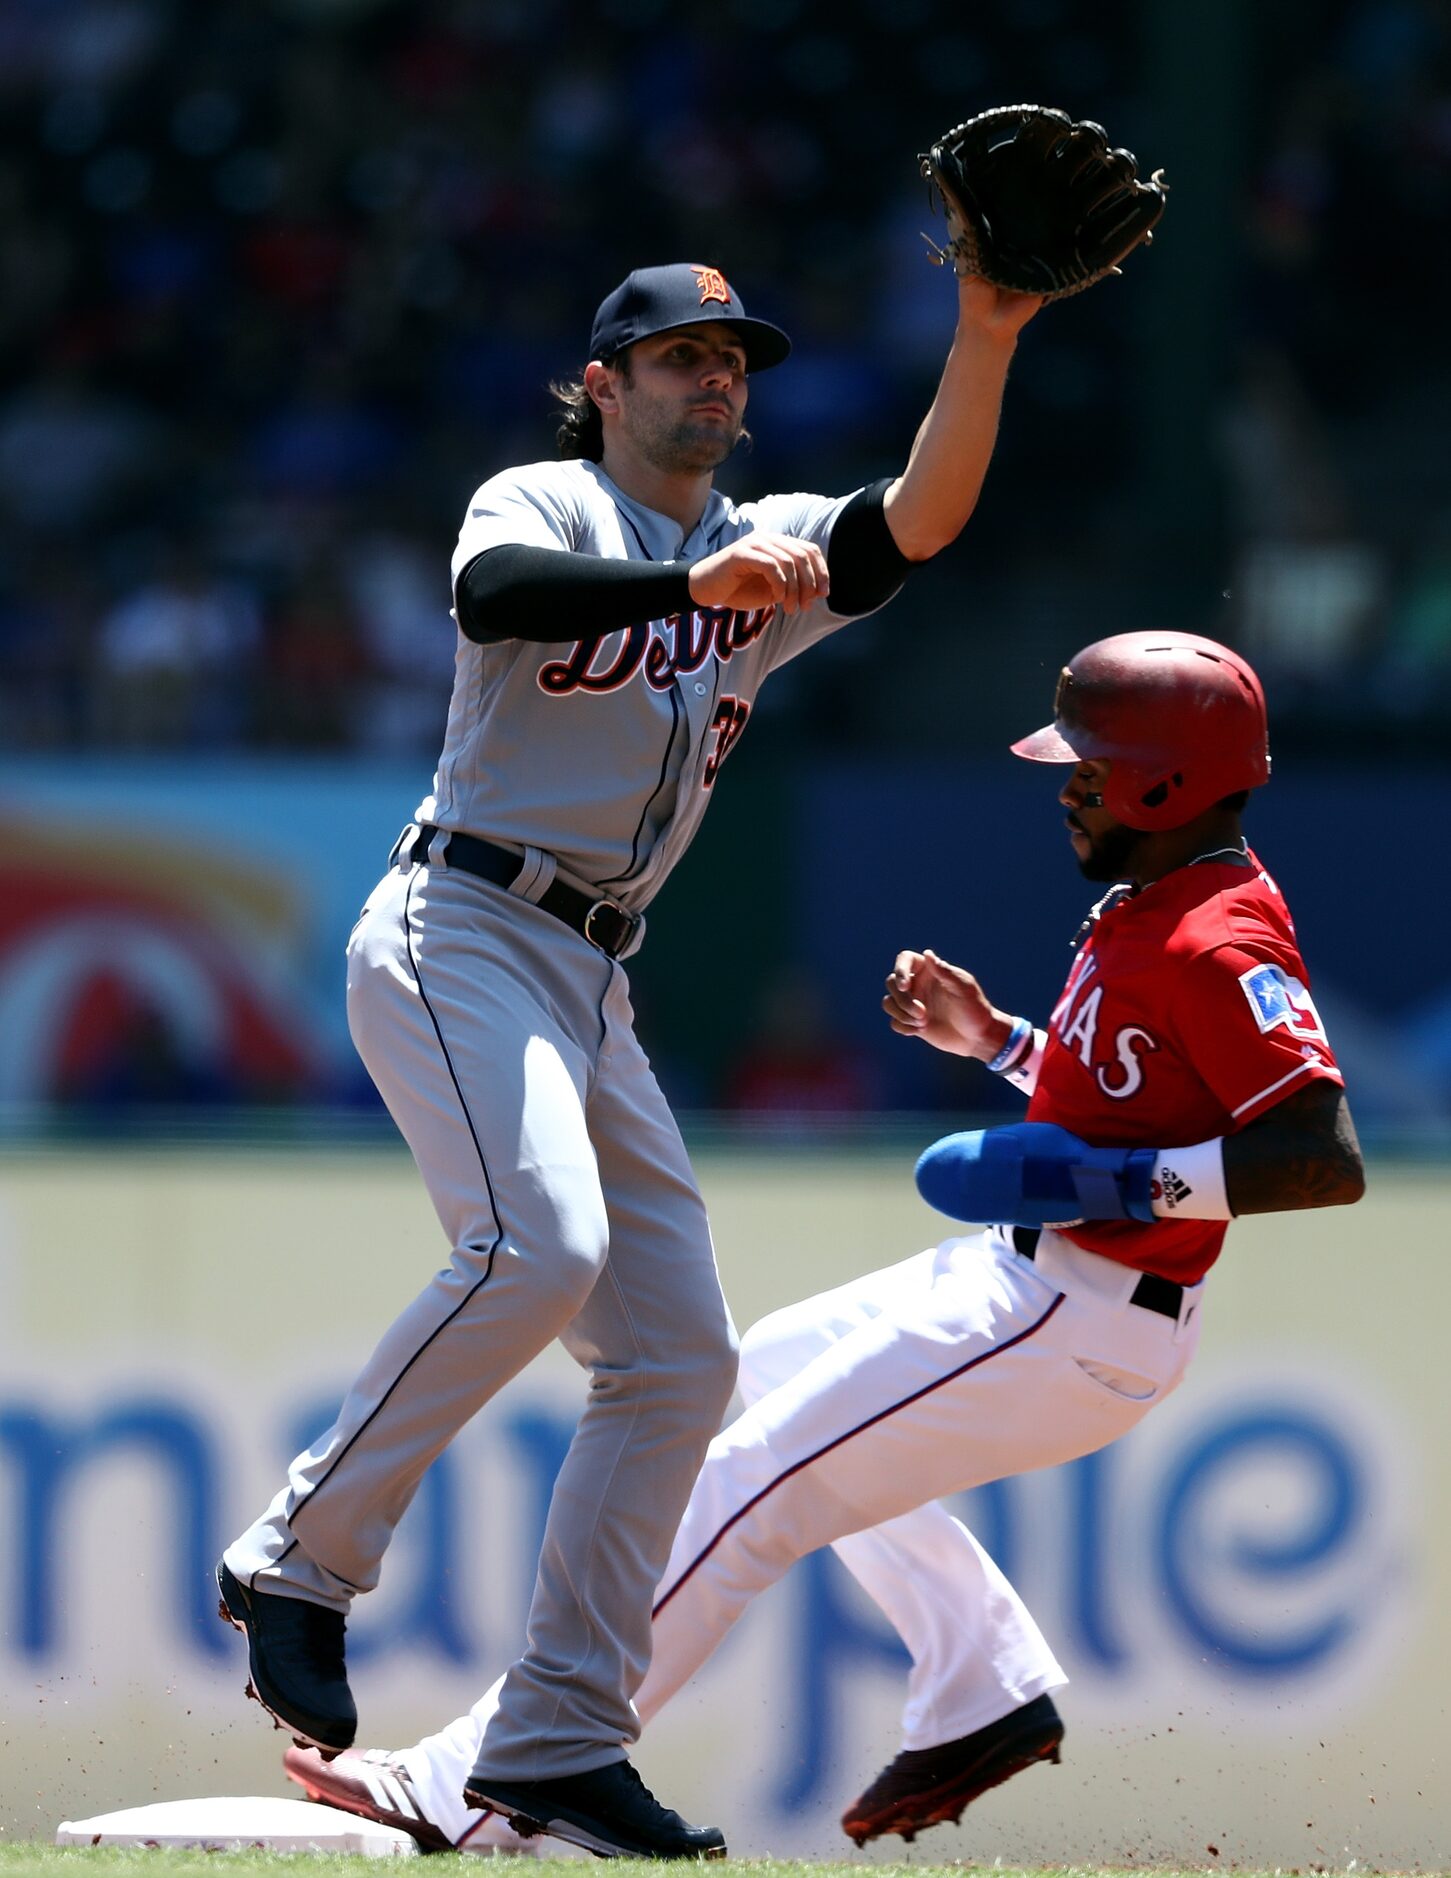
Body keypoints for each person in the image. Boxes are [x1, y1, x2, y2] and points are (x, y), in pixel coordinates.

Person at [277, 629, 1365, 1854]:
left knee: (750, 1489)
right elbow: (1127, 1086)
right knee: (735, 1390)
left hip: (1086, 1316)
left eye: (1092, 764)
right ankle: (985, 1678)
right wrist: (1002, 1046)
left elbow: (1320, 1157)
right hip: (1028, 1277)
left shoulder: (1219, 937)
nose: (1066, 783)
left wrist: (1120, 1180)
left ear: (1164, 784)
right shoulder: (1155, 896)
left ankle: (486, 1784)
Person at [215, 258, 1044, 1861]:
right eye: (678, 357)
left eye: (732, 358)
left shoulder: (769, 535)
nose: (714, 380)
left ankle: (554, 1737)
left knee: (679, 1358)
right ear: (604, 382)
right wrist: (694, 594)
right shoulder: (543, 498)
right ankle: (297, 1558)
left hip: (591, 978)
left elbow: (918, 521)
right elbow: (495, 600)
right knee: (537, 1246)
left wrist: (986, 333)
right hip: (459, 916)